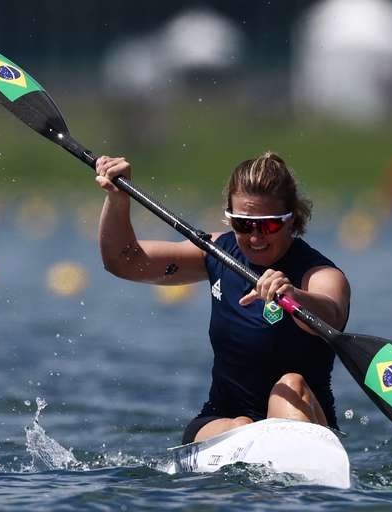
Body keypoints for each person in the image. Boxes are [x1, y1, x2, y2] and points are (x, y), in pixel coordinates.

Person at [95, 151, 350, 444]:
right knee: (241, 425)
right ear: (229, 216)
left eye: (268, 225)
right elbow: (123, 262)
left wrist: (293, 296)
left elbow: (331, 314)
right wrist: (117, 199)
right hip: (222, 422)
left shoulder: (320, 275)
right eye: (243, 224)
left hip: (303, 421)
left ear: (292, 219)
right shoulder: (215, 253)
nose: (255, 237)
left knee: (289, 385)